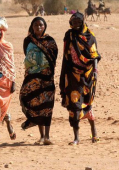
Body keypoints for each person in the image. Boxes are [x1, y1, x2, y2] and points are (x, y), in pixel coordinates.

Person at [59, 12, 101, 145]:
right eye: (74, 22)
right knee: (74, 105)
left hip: (87, 76)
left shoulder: (90, 36)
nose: (76, 24)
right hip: (72, 75)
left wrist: (94, 70)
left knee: (87, 104)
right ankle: (76, 137)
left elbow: (94, 55)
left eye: (78, 22)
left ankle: (94, 133)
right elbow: (66, 55)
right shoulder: (69, 35)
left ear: (82, 22)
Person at [20, 17, 58, 145]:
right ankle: (41, 136)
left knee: (47, 107)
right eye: (36, 25)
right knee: (36, 105)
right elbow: (27, 55)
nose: (39, 27)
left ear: (44, 26)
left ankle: (47, 136)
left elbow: (54, 57)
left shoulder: (50, 41)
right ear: (32, 26)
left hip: (47, 78)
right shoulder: (28, 40)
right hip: (32, 78)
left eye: (41, 25)